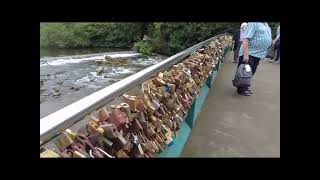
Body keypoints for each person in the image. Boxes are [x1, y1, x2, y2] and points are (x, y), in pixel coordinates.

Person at [237, 22, 272, 96]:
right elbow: (246, 38)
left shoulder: (265, 24)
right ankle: (241, 89)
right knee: (245, 71)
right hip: (250, 53)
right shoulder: (254, 22)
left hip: (257, 54)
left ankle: (245, 87)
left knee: (251, 71)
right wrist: (246, 54)